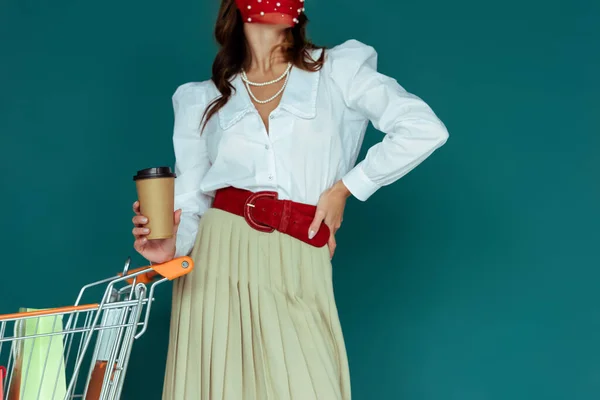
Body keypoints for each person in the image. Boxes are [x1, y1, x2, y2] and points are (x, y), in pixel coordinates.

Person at [131, 0, 449, 398]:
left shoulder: (338, 70)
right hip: (217, 260)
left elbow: (423, 128)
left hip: (299, 251)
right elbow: (193, 201)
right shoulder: (203, 97)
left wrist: (346, 188)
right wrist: (168, 246)